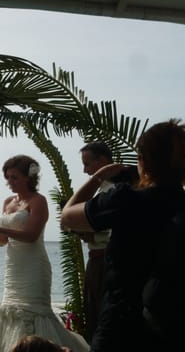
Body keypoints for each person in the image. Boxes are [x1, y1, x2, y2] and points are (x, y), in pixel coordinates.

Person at [61, 119, 185, 352]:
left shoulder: (126, 200)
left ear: (143, 162)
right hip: (180, 332)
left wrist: (98, 176)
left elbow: (67, 216)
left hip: (122, 329)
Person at [0, 155, 89, 352]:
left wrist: (0, 229)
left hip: (34, 266)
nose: (10, 182)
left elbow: (31, 235)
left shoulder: (38, 201)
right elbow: (4, 241)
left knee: (34, 312)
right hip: (13, 267)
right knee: (9, 311)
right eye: (8, 177)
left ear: (28, 178)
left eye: (15, 177)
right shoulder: (8, 202)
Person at [77, 142, 113, 343]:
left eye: (87, 163)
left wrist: (88, 231)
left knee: (100, 314)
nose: (85, 170)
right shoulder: (101, 191)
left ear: (102, 161)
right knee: (93, 313)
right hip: (96, 259)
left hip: (105, 260)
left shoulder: (113, 190)